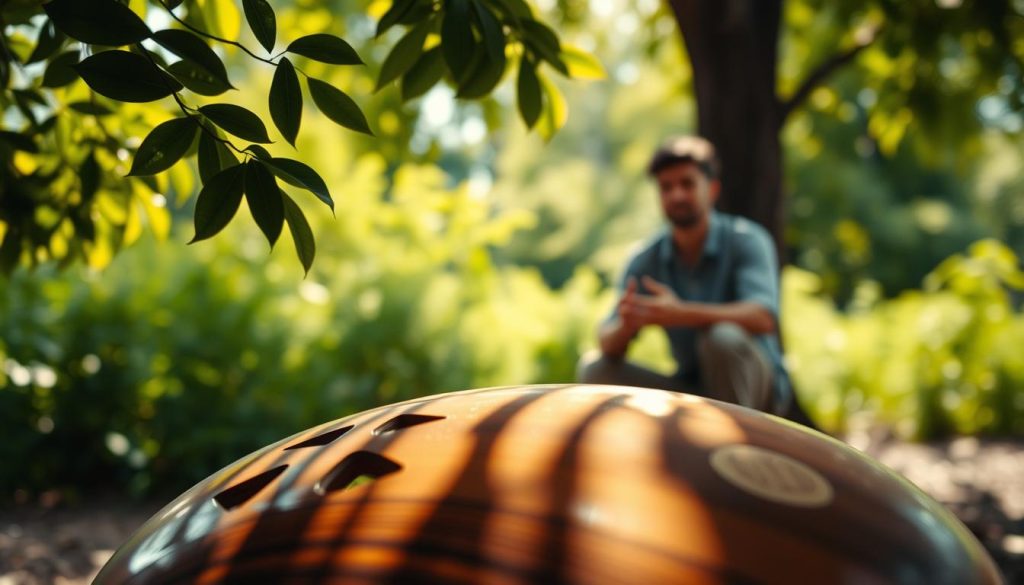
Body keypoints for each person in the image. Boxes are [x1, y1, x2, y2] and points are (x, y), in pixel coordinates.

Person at [577, 135, 792, 415]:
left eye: (687, 184)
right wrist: (627, 325)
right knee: (595, 370)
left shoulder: (747, 239)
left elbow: (763, 317)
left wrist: (680, 313)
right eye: (666, 187)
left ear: (712, 189)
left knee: (722, 338)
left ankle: (735, 436)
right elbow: (607, 341)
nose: (676, 195)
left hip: (758, 391)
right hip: (692, 390)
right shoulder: (645, 259)